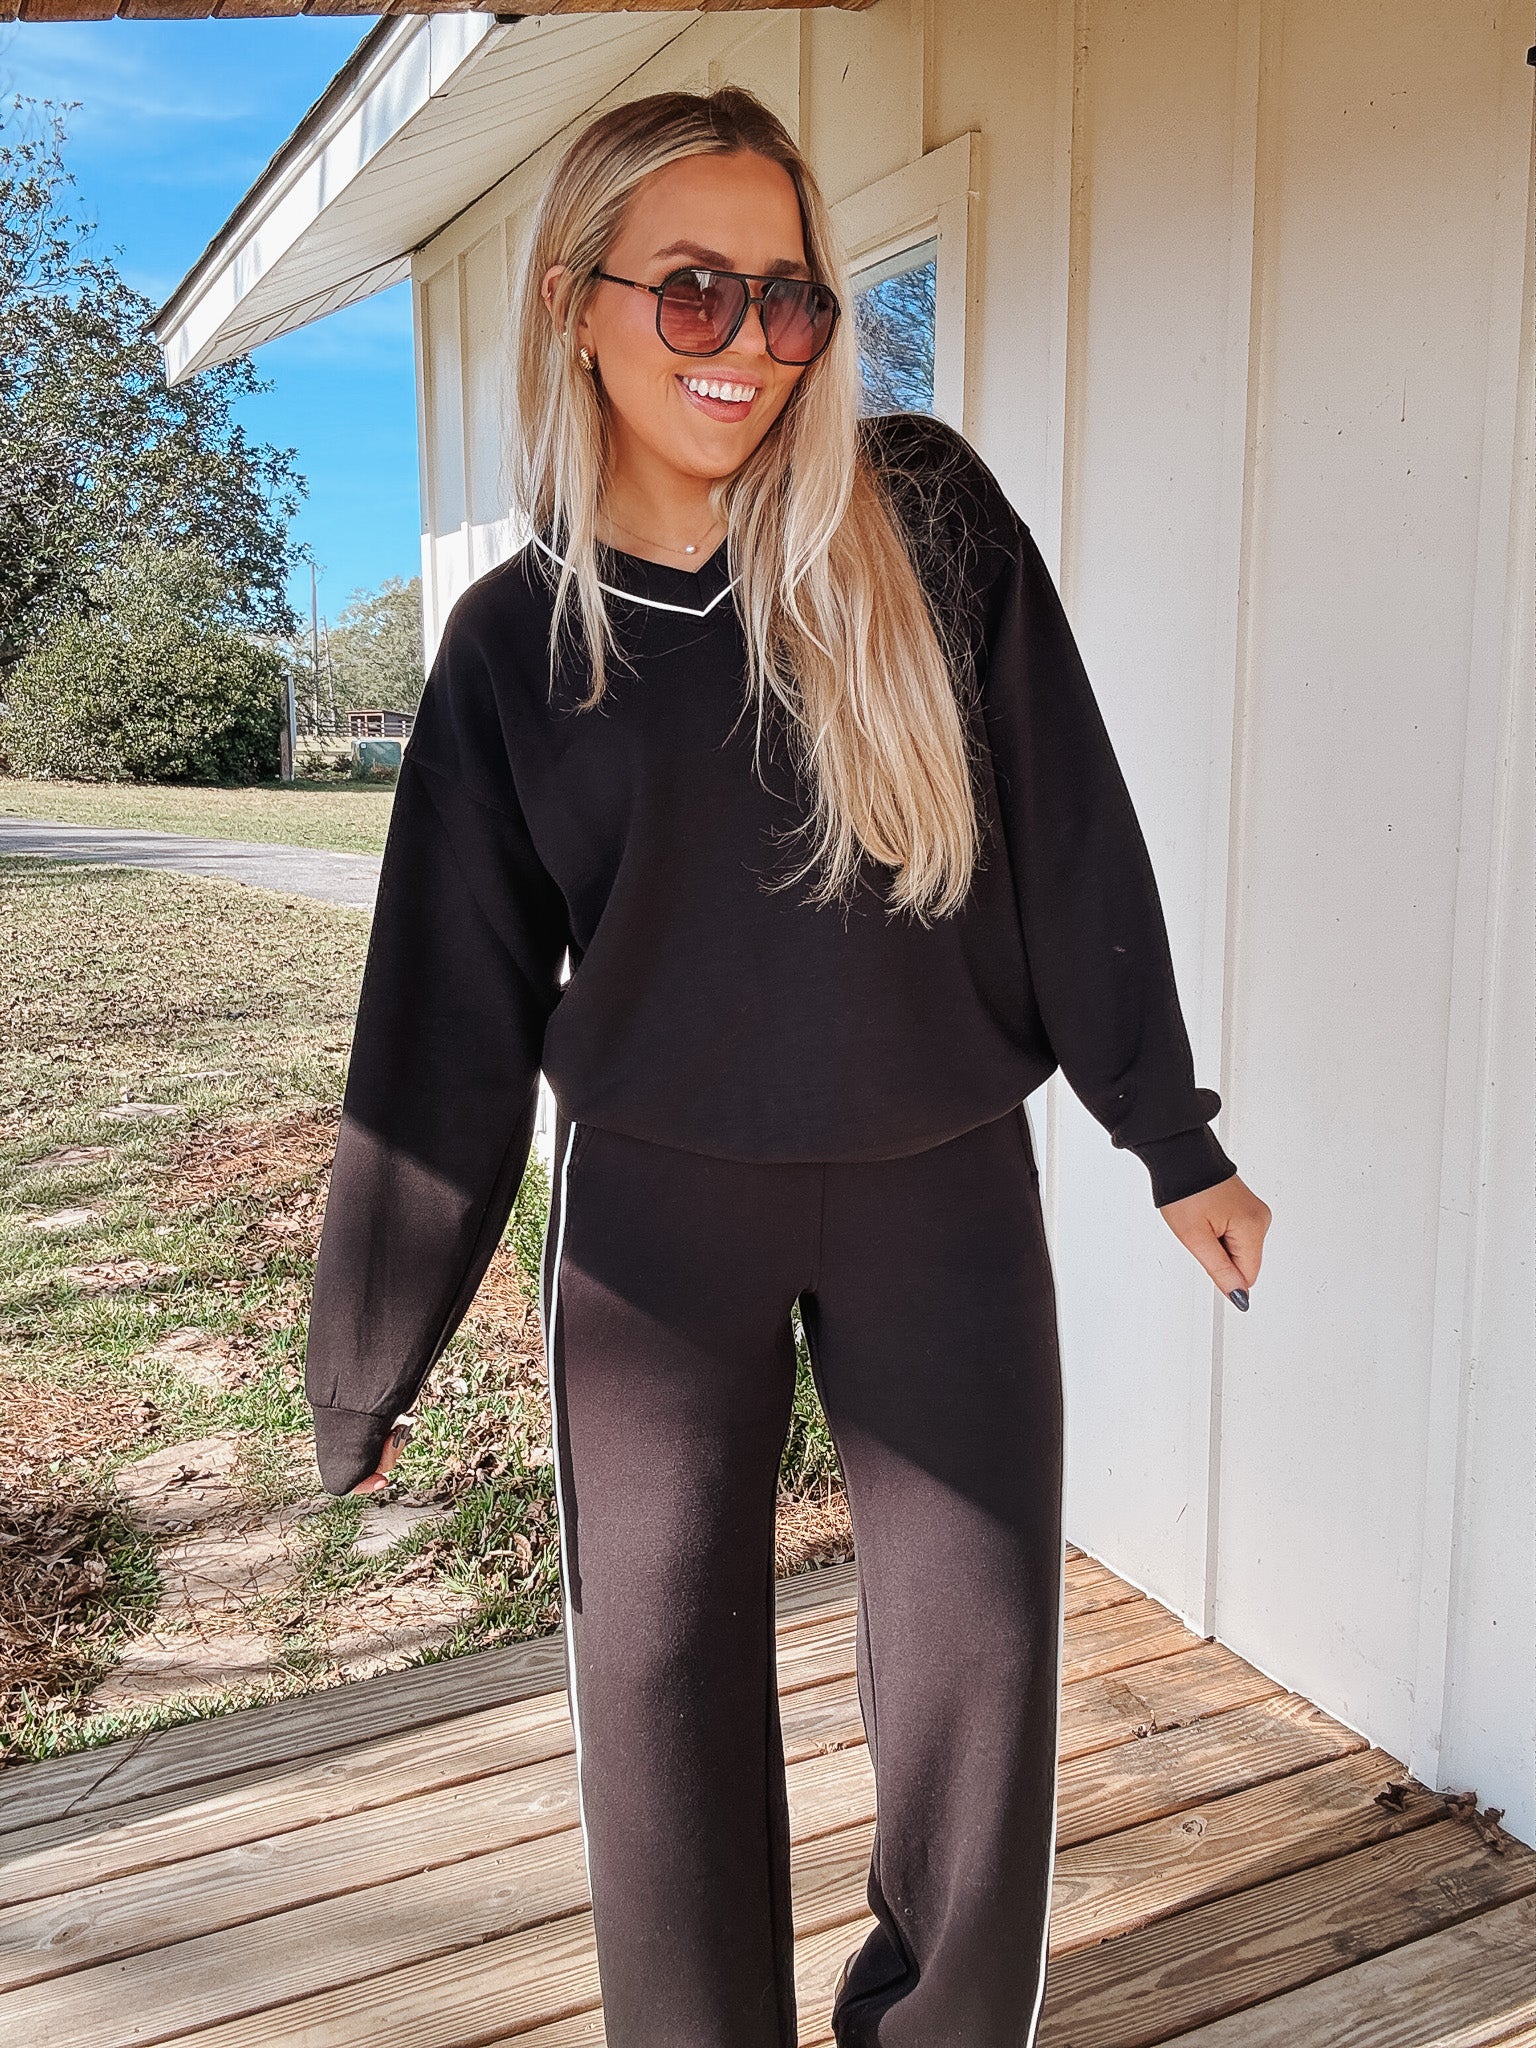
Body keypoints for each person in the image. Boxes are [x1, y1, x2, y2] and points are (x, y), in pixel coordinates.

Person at [304, 82, 1271, 2048]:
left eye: (793, 298)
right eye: (693, 292)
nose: (748, 342)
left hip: (945, 1197)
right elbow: (441, 1026)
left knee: (975, 1671)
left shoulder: (924, 528)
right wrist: (370, 1349)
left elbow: (1073, 837)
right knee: (655, 1679)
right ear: (575, 302)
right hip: (657, 1233)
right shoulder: (515, 649)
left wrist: (1170, 1135)